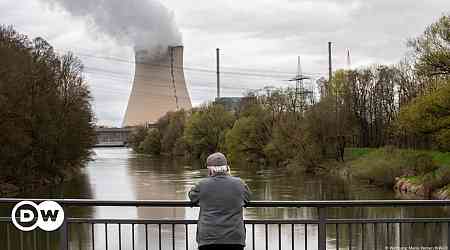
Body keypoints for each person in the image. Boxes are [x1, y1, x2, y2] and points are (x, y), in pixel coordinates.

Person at [189, 152, 251, 250]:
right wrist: (230, 177)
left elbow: (192, 197)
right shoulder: (239, 183)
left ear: (209, 170)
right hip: (234, 239)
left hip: (208, 239)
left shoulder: (202, 184)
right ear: (227, 168)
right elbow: (248, 198)